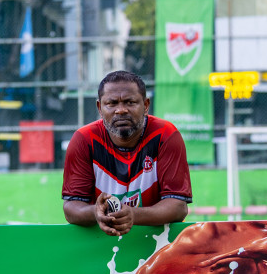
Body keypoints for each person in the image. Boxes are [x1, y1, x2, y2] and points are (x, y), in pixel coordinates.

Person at [63, 69, 192, 237]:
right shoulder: (84, 139)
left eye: (130, 102)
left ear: (146, 105)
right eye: (112, 103)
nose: (121, 110)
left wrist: (133, 215)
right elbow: (71, 208)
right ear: (100, 108)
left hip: (157, 243)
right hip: (102, 243)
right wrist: (95, 212)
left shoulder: (166, 135)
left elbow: (178, 206)